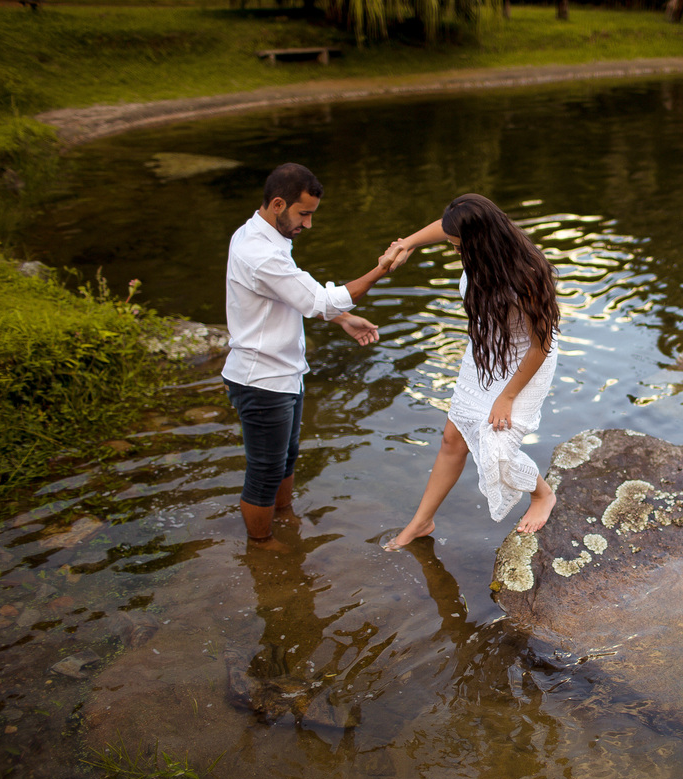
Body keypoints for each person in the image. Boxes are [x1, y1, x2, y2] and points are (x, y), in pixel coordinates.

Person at [223, 162, 398, 543]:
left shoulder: (264, 237)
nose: (308, 224)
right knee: (265, 470)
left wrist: (343, 320)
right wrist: (380, 270)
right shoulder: (260, 252)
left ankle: (285, 523)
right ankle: (263, 551)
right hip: (262, 379)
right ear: (278, 204)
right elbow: (320, 299)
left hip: (284, 372)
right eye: (304, 214)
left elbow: (291, 296)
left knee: (285, 459)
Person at [380, 193, 560, 551]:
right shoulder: (484, 246)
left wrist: (506, 397)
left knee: (497, 448)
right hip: (486, 351)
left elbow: (541, 345)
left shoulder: (525, 275)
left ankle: (543, 495)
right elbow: (447, 227)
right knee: (453, 438)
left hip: (526, 360)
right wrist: (407, 244)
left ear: (480, 242)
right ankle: (421, 521)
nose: (453, 250)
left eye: (457, 246)